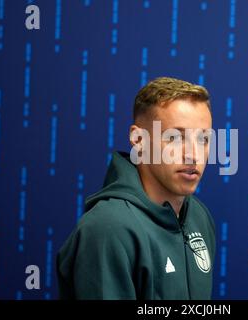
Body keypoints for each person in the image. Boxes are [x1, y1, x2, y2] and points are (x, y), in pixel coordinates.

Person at [56, 77, 216, 299]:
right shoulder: (107, 229)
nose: (193, 154)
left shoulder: (199, 216)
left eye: (203, 139)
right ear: (138, 140)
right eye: (175, 137)